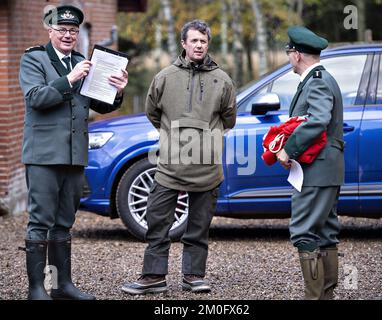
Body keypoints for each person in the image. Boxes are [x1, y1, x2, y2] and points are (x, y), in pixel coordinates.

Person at [19, 5, 128, 300]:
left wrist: (117, 91)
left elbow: (100, 104)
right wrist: (69, 79)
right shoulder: (35, 59)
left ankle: (62, 286)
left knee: (65, 222)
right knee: (41, 221)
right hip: (43, 155)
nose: (68, 35)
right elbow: (36, 98)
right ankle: (37, 288)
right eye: (62, 30)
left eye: (73, 30)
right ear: (51, 31)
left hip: (74, 155)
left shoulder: (82, 62)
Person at [121, 20, 236, 295]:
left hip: (206, 167)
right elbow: (153, 112)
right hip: (169, 165)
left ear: (208, 44)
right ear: (183, 44)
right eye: (194, 40)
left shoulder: (223, 80)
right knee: (157, 222)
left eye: (203, 41)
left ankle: (194, 276)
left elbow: (229, 118)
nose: (199, 45)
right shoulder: (164, 77)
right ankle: (153, 277)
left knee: (198, 226)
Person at [276, 26, 344, 300]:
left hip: (316, 169)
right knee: (325, 231)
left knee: (304, 231)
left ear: (297, 55)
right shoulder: (324, 78)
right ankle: (325, 297)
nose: (289, 57)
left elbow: (317, 119)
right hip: (327, 168)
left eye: (290, 52)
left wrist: (288, 150)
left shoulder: (316, 81)